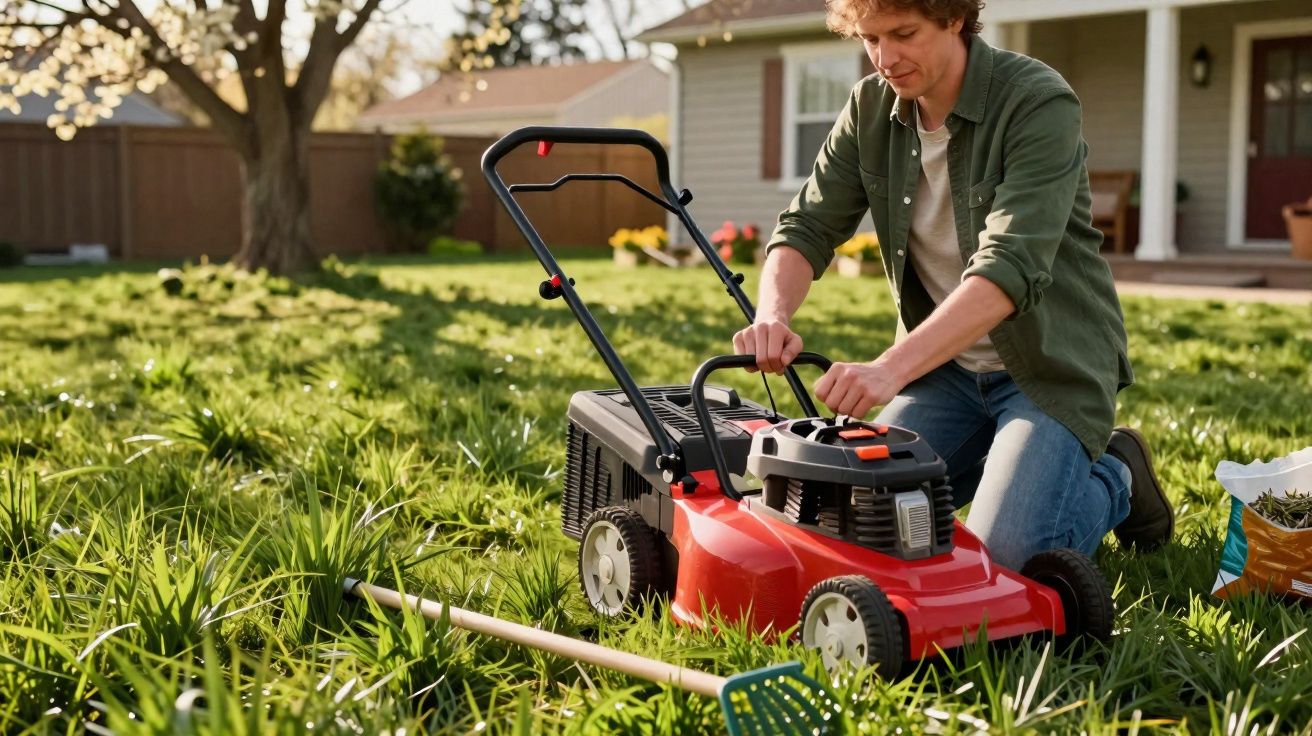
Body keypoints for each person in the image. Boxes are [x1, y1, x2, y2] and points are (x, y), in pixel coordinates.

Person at [732, 0, 1174, 570]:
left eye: (904, 33)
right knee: (859, 521)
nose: (886, 59)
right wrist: (774, 314)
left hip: (1050, 371)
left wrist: (890, 368)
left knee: (1007, 562)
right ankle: (1018, 461)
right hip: (945, 374)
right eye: (870, 39)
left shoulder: (1037, 100)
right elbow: (807, 226)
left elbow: (1008, 268)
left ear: (954, 18)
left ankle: (1116, 473)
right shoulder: (870, 109)